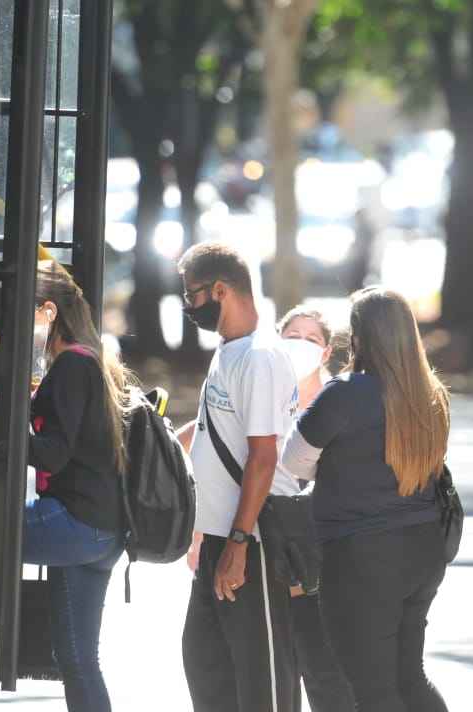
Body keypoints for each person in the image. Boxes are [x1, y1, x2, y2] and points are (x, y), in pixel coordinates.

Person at [281, 287, 450, 712]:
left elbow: (294, 461)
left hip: (361, 556)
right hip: (425, 547)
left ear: (359, 338)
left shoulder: (343, 394)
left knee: (371, 688)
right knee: (410, 676)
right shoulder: (432, 395)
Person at [178, 242, 298, 712]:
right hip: (216, 537)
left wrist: (238, 542)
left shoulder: (260, 358)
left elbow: (262, 456)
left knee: (260, 684)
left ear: (221, 289)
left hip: (252, 542)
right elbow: (212, 428)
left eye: (192, 296)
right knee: (205, 665)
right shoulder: (230, 350)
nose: (189, 307)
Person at [23, 261, 133, 712]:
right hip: (102, 531)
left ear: (49, 312)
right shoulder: (91, 359)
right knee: (77, 656)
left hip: (76, 522)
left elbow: (52, 452)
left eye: (23, 311)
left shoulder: (70, 365)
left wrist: (6, 428)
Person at [277, 306, 356, 712]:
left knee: (321, 662)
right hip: (265, 537)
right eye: (293, 336)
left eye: (312, 340)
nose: (301, 346)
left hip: (317, 546)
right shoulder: (264, 390)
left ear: (327, 352)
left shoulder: (335, 397)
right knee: (276, 666)